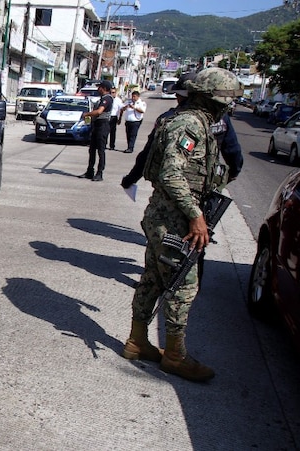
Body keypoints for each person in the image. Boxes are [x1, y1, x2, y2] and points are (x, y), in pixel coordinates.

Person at [121, 67, 243, 382]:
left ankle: (136, 342)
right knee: (182, 287)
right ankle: (174, 356)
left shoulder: (189, 120)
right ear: (214, 98)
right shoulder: (190, 124)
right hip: (174, 221)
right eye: (226, 100)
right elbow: (170, 174)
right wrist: (196, 215)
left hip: (164, 217)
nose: (228, 106)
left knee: (152, 279)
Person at [121, 72, 243, 188]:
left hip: (172, 185)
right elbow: (233, 151)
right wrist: (231, 175)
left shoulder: (169, 118)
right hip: (205, 183)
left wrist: (130, 179)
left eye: (177, 94)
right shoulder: (221, 118)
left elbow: (148, 153)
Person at [81, 80, 114, 181]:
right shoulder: (101, 99)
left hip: (103, 126)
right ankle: (90, 171)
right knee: (92, 150)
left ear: (104, 88)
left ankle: (100, 173)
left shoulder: (107, 99)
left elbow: (99, 111)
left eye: (99, 87)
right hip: (96, 125)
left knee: (100, 150)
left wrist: (87, 114)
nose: (98, 89)